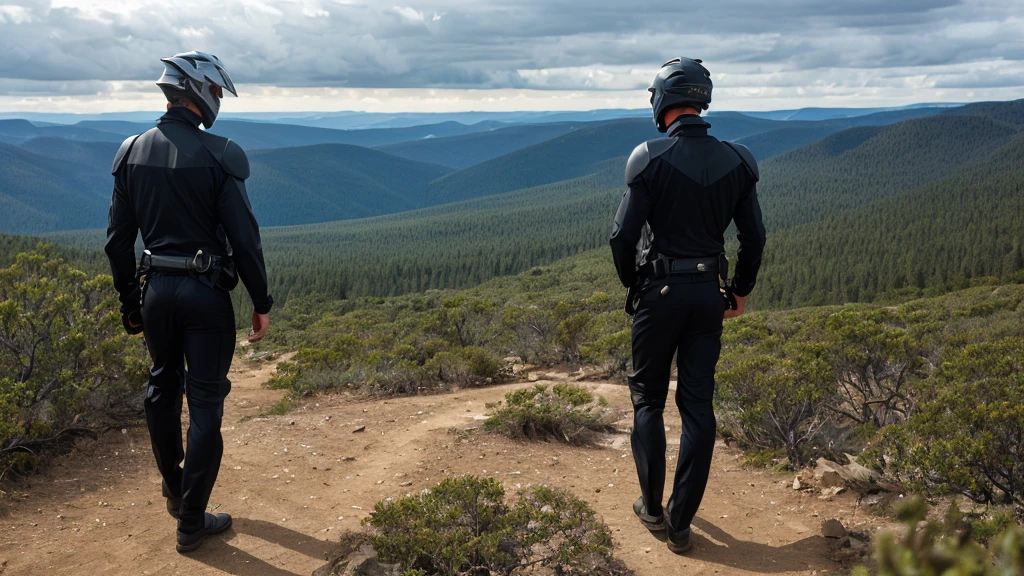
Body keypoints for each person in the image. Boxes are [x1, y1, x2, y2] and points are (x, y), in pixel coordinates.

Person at [104, 51, 273, 553]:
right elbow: (245, 239)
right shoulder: (221, 154)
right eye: (217, 92)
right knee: (205, 405)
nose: (218, 100)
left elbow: (117, 243)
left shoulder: (130, 151)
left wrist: (130, 302)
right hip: (205, 296)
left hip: (155, 292)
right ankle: (192, 523)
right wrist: (260, 300)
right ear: (199, 93)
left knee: (161, 384)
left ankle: (174, 488)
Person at [609, 57, 766, 554]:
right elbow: (755, 236)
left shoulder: (649, 156)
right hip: (708, 296)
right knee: (697, 407)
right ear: (702, 100)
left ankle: (652, 509)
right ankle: (681, 524)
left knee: (648, 401)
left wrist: (636, 283)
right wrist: (738, 289)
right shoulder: (739, 159)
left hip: (661, 294)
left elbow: (622, 237)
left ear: (662, 101)